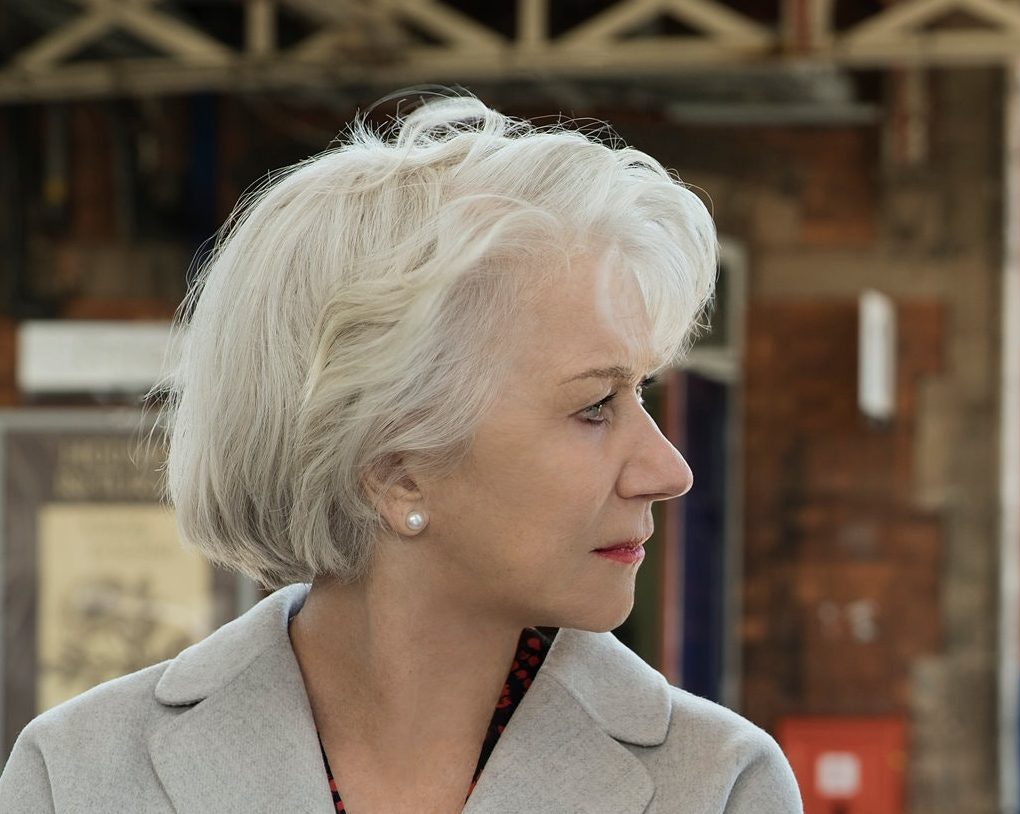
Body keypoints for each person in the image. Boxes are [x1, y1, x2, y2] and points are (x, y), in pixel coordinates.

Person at [0, 96, 800, 813]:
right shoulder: (80, 776)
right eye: (594, 406)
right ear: (394, 472)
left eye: (641, 394)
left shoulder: (718, 785)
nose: (669, 471)